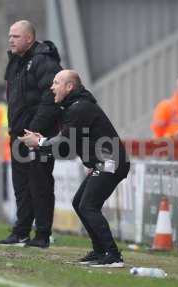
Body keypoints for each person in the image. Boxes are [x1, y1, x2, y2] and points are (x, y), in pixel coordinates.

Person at [19, 70, 130, 267]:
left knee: (88, 205)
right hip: (103, 162)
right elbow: (65, 146)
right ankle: (99, 251)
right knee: (80, 203)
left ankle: (113, 255)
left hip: (110, 163)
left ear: (69, 87)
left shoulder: (80, 108)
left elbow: (64, 141)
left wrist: (40, 141)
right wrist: (42, 142)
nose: (52, 87)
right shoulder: (73, 107)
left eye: (56, 82)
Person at [0, 20, 62, 248]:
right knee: (21, 186)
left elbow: (52, 98)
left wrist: (34, 130)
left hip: (37, 136)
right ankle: (21, 231)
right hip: (18, 135)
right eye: (10, 35)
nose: (10, 40)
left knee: (40, 185)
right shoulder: (15, 62)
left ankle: (42, 235)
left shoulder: (44, 61)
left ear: (29, 39)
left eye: (15, 36)